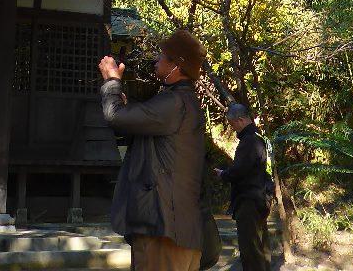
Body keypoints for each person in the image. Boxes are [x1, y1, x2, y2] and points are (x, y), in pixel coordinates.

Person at [99, 28, 207, 271]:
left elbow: (114, 116)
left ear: (176, 65)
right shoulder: (185, 101)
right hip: (180, 228)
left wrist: (111, 82)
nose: (157, 60)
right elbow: (137, 122)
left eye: (162, 56)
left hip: (163, 228)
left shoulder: (174, 102)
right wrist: (128, 107)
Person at [216, 103, 272, 271]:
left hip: (249, 200)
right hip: (263, 196)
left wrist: (223, 174)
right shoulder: (261, 137)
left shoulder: (249, 141)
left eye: (233, 124)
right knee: (261, 246)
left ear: (240, 120)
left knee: (250, 249)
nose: (233, 129)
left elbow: (240, 170)